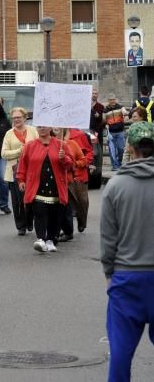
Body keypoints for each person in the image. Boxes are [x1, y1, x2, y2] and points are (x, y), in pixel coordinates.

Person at [100, 121, 154, 381]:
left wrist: (109, 272)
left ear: (130, 147)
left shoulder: (116, 185)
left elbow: (108, 238)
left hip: (127, 277)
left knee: (121, 354)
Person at [16, 126, 73, 253]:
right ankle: (41, 238)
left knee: (54, 214)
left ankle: (50, 240)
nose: (42, 129)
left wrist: (64, 158)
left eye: (44, 127)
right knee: (39, 212)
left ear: (50, 128)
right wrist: (21, 180)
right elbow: (23, 164)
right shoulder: (30, 146)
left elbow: (69, 165)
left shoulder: (61, 145)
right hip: (37, 186)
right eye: (39, 127)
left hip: (56, 186)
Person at [2, 107, 38, 235]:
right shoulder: (9, 134)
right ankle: (21, 226)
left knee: (31, 199)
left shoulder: (34, 131)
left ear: (25, 117)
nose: (16, 119)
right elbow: (4, 154)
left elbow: (41, 146)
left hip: (33, 171)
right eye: (14, 117)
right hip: (14, 172)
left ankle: (29, 220)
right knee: (18, 201)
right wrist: (19, 151)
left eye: (19, 117)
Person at [52, 128, 86, 242]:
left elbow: (80, 160)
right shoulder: (49, 142)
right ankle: (56, 230)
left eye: (57, 126)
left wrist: (70, 162)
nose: (55, 128)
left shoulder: (71, 144)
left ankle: (68, 231)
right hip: (52, 180)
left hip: (67, 180)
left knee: (66, 207)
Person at [103, 95, 129, 171]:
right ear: (108, 101)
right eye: (111, 100)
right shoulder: (105, 110)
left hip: (120, 131)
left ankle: (119, 163)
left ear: (116, 100)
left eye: (114, 99)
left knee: (121, 149)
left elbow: (124, 111)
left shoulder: (120, 107)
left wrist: (125, 114)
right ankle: (115, 166)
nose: (112, 101)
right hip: (111, 133)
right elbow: (103, 119)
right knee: (112, 150)